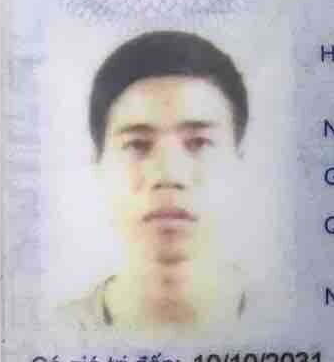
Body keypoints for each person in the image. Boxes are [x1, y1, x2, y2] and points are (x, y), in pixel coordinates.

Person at [61, 30, 252, 331]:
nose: (168, 175)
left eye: (199, 143)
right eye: (137, 145)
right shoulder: (51, 336)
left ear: (239, 162)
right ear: (98, 164)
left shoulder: (292, 323)